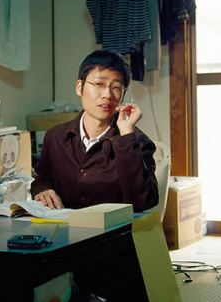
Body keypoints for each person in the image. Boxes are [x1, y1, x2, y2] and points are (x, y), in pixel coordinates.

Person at [31, 50, 159, 212]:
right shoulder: (55, 137)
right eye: (99, 84)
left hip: (113, 227)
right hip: (64, 226)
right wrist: (42, 190)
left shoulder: (137, 142)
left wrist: (126, 135)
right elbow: (42, 179)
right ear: (79, 87)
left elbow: (143, 202)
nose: (107, 95)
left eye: (116, 87)